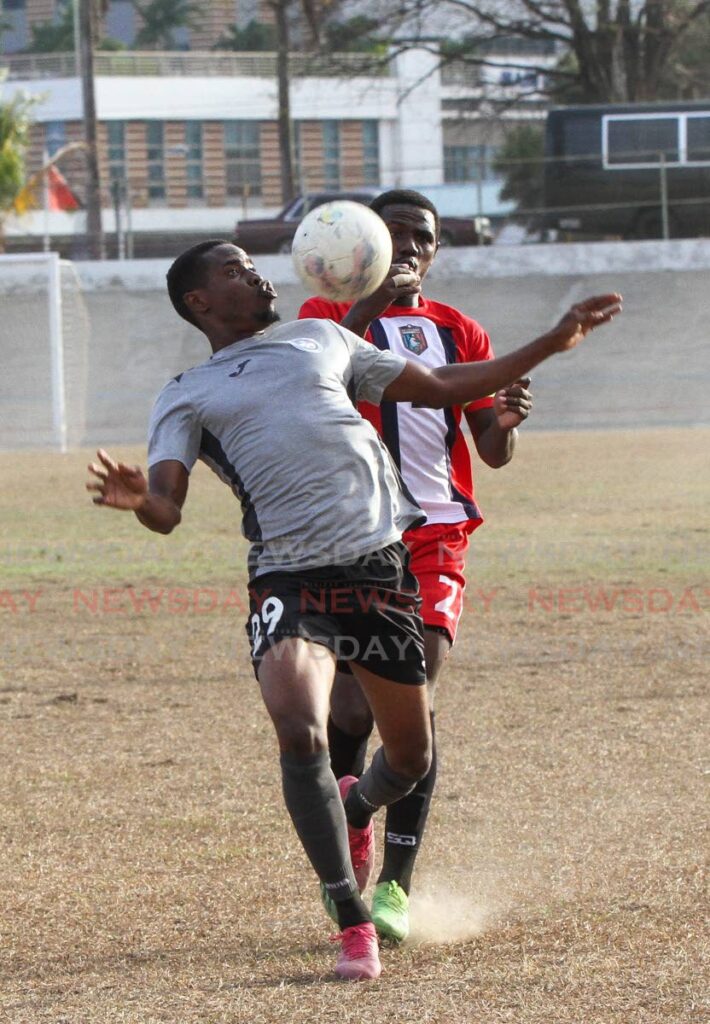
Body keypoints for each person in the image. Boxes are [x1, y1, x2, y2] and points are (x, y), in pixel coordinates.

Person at [86, 238, 620, 981]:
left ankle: (359, 806)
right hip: (288, 579)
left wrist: (551, 344)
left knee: (409, 759)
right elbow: (167, 507)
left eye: (252, 263)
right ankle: (352, 921)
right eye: (235, 269)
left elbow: (439, 386)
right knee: (299, 726)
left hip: (379, 571)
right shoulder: (187, 390)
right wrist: (140, 497)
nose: (256, 272)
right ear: (198, 302)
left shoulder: (321, 336)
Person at [298, 188, 533, 941]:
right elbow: (319, 385)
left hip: (435, 537)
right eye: (395, 234)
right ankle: (348, 831)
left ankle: (394, 885)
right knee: (346, 714)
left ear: (436, 249)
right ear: (365, 244)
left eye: (423, 238)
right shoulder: (324, 319)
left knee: (413, 708)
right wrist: (371, 304)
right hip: (352, 537)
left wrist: (506, 423)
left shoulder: (458, 328)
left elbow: (490, 453)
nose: (411, 247)